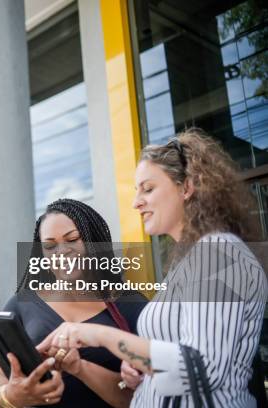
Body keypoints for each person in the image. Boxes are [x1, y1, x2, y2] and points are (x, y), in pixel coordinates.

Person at [39, 129, 267, 407]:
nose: (136, 202)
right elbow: (179, 359)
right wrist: (141, 370)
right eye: (137, 191)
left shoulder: (217, 251)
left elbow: (203, 371)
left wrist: (99, 335)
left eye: (148, 188)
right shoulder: (187, 263)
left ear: (186, 187)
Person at [0, 198, 147, 408]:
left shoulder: (132, 306)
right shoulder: (23, 304)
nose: (61, 252)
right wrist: (9, 396)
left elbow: (139, 397)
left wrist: (80, 367)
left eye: (72, 239)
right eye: (50, 245)